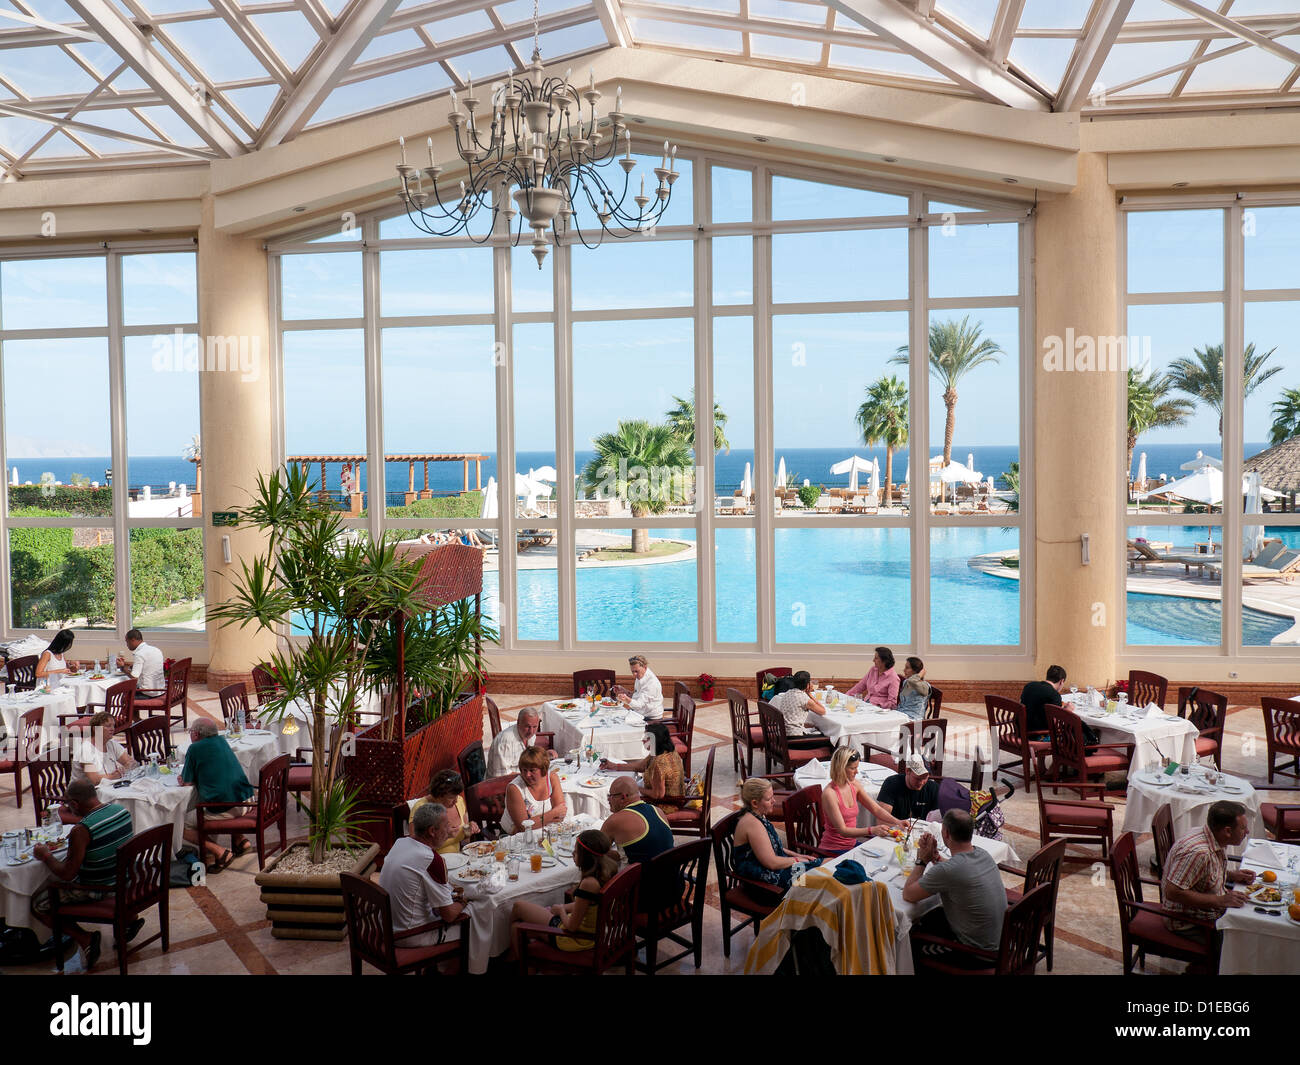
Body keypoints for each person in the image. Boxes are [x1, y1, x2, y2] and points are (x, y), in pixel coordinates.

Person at [29, 778, 136, 969]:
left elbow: (68, 874)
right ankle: (129, 920)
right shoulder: (121, 811)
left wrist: (45, 856)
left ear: (75, 804)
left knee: (39, 904)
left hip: (99, 888)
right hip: (125, 879)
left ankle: (85, 938)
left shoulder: (82, 829)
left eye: (68, 804)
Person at [903, 810, 1007, 966]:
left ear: (946, 833)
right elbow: (956, 871)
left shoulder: (949, 871)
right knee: (931, 916)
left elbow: (908, 894)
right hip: (1002, 942)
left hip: (978, 955)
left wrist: (922, 860)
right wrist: (935, 856)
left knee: (909, 944)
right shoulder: (982, 854)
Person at [511, 830, 620, 953]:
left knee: (518, 909)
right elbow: (586, 906)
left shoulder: (589, 883)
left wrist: (561, 911)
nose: (573, 853)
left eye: (576, 852)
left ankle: (519, 963)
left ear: (586, 857)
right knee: (519, 927)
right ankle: (532, 965)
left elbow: (572, 927)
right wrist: (563, 906)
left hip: (576, 939)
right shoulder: (607, 871)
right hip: (592, 933)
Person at [379, 802, 468, 949]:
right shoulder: (432, 859)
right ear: (432, 831)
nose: (450, 830)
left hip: (388, 928)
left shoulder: (400, 843)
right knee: (474, 921)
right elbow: (449, 915)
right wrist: (465, 900)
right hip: (410, 936)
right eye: (446, 825)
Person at [1162, 801, 1254, 940]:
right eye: (1243, 828)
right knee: (1247, 937)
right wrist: (1221, 900)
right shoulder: (1198, 853)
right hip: (1188, 922)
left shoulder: (1211, 835)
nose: (1247, 832)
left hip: (1207, 912)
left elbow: (1204, 872)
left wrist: (1232, 875)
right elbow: (1173, 892)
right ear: (1227, 831)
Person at [179, 718, 254, 871]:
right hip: (248, 800)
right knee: (225, 789)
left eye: (191, 731)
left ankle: (219, 851)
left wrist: (183, 779)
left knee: (180, 824)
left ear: (196, 734)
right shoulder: (222, 740)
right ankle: (241, 840)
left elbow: (187, 783)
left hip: (228, 807)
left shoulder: (195, 749)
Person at [732, 777, 821, 892]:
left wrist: (799, 856)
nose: (774, 801)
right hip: (764, 884)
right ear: (754, 803)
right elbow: (772, 863)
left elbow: (774, 847)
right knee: (819, 879)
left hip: (773, 871)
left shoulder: (758, 814)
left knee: (824, 865)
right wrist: (797, 860)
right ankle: (802, 905)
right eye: (769, 799)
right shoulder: (752, 823)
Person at [818, 746, 906, 854]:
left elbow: (876, 809)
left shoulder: (854, 785)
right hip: (834, 849)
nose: (857, 772)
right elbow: (843, 831)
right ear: (840, 768)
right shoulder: (829, 794)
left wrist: (898, 822)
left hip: (851, 845)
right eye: (853, 768)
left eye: (857, 767)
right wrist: (872, 830)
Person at [600, 723, 695, 814]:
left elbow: (657, 794)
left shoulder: (659, 763)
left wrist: (635, 788)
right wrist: (614, 766)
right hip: (670, 797)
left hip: (667, 804)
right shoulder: (665, 751)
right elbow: (640, 766)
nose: (643, 740)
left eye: (647, 738)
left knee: (620, 797)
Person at [602, 776, 675, 863]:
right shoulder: (658, 811)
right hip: (672, 872)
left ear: (623, 797)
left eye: (611, 796)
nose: (608, 799)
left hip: (643, 875)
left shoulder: (614, 820)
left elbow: (595, 850)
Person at [500, 746, 568, 834]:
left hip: (544, 832)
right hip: (515, 837)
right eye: (524, 770)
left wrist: (535, 821)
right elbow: (523, 827)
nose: (527, 774)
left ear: (543, 769)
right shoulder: (514, 788)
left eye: (532, 770)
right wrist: (552, 814)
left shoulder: (552, 778)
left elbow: (561, 814)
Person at [412, 769, 479, 854]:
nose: (456, 801)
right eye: (451, 798)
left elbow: (465, 837)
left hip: (457, 859)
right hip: (432, 861)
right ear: (437, 795)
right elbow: (416, 848)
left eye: (457, 796)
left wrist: (470, 829)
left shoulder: (459, 801)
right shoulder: (421, 809)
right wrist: (446, 836)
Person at [71, 710, 135, 785]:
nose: (112, 729)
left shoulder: (112, 744)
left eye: (113, 725)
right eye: (108, 726)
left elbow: (132, 763)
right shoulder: (86, 750)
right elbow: (94, 780)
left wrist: (125, 769)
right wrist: (116, 775)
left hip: (107, 787)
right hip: (85, 793)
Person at [487, 706, 551, 777]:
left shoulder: (530, 735)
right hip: (502, 783)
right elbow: (501, 776)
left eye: (534, 727)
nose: (531, 731)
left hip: (521, 777)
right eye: (527, 726)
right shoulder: (505, 742)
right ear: (518, 723)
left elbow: (529, 759)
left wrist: (544, 755)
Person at [767, 670, 829, 744]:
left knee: (814, 728)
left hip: (783, 734)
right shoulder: (804, 698)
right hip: (794, 739)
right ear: (807, 684)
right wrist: (809, 694)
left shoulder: (787, 693)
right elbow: (823, 711)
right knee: (827, 739)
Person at [876, 753, 942, 821]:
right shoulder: (891, 783)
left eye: (925, 778)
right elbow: (882, 820)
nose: (921, 782)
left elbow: (939, 821)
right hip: (896, 829)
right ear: (907, 771)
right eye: (918, 779)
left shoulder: (934, 788)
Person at [1021, 664, 1066, 735]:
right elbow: (1056, 724)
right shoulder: (1054, 695)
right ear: (1061, 681)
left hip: (1020, 731)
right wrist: (1067, 711)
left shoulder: (1029, 685)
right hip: (1036, 735)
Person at [618, 654, 664, 721]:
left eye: (636, 671)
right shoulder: (641, 676)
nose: (634, 674)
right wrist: (625, 691)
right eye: (632, 671)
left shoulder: (651, 684)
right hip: (640, 713)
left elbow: (639, 705)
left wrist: (626, 699)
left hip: (651, 719)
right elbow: (637, 695)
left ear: (645, 667)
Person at [896, 657, 931, 721]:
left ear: (915, 670)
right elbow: (903, 702)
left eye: (907, 668)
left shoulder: (924, 685)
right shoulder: (907, 682)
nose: (904, 670)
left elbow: (912, 681)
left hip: (914, 718)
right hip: (902, 714)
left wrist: (920, 674)